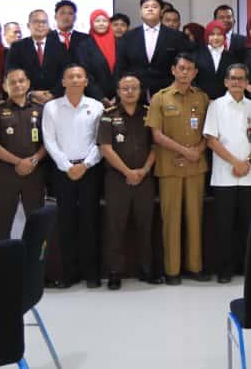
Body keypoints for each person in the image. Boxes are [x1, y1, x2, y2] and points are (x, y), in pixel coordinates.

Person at [147, 53, 210, 284]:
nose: (185, 72)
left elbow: (209, 131)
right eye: (181, 68)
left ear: (195, 73)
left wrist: (198, 150)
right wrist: (185, 151)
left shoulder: (202, 97)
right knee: (171, 220)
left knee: (195, 218)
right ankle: (172, 270)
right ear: (173, 70)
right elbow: (156, 135)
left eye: (189, 69)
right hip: (170, 167)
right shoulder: (160, 98)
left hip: (195, 166)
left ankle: (195, 267)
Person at [42, 64, 105, 288]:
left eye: (79, 76)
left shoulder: (96, 106)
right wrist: (67, 165)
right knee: (66, 222)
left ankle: (92, 273)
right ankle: (69, 273)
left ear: (86, 82)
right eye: (71, 76)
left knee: (90, 221)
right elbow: (49, 140)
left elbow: (101, 141)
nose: (75, 79)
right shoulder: (51, 107)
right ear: (63, 82)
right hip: (63, 171)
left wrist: (85, 164)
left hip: (90, 170)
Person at [98, 74, 161, 289]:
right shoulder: (109, 115)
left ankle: (146, 268)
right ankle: (115, 271)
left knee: (146, 224)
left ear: (140, 90)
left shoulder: (149, 113)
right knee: (116, 226)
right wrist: (127, 171)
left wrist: (144, 170)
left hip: (144, 178)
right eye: (125, 88)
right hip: (117, 179)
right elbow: (105, 148)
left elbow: (155, 146)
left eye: (134, 87)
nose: (130, 92)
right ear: (118, 91)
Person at [204, 64, 251, 283]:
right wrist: (235, 163)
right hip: (224, 175)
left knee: (250, 225)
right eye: (233, 78)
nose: (237, 82)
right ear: (226, 82)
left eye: (241, 78)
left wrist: (247, 163)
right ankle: (225, 270)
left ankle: (249, 268)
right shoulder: (216, 106)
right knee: (224, 226)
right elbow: (211, 140)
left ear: (247, 82)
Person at [0, 68, 46, 241]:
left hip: (34, 174)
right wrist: (19, 162)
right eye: (12, 82)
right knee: (3, 226)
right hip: (5, 176)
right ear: (5, 87)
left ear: (28, 83)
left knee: (37, 226)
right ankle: (3, 259)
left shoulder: (41, 110)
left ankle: (34, 259)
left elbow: (48, 143)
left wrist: (33, 160)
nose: (18, 85)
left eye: (21, 81)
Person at [115, 0, 191, 96]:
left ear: (161, 12)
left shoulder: (176, 37)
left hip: (168, 92)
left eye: (154, 7)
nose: (150, 9)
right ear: (141, 12)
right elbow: (121, 67)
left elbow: (182, 66)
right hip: (135, 93)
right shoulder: (128, 37)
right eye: (146, 7)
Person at [7, 9, 69, 103]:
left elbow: (65, 73)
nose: (40, 25)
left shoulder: (60, 47)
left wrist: (53, 93)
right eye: (36, 21)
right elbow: (11, 73)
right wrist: (30, 93)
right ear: (28, 25)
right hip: (26, 100)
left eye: (44, 22)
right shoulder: (17, 47)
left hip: (55, 100)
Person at [194, 20, 239, 100]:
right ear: (207, 36)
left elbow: (233, 81)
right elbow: (192, 80)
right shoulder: (196, 54)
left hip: (225, 101)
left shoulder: (232, 57)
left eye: (219, 34)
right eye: (212, 34)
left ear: (224, 36)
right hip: (200, 101)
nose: (216, 38)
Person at [80, 8, 118, 102]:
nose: (101, 24)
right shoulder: (84, 46)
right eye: (97, 21)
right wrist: (99, 96)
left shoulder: (119, 43)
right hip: (94, 98)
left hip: (119, 97)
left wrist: (119, 95)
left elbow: (123, 70)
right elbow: (85, 73)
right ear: (91, 23)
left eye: (104, 21)